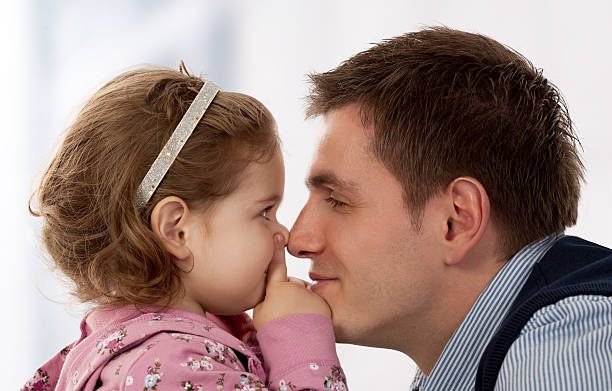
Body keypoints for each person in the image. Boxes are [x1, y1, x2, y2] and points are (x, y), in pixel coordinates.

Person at [288, 27, 612, 390]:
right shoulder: (476, 361)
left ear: (456, 221)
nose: (297, 240)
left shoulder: (559, 349)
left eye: (337, 200)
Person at [22, 65, 348, 391]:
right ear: (176, 230)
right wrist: (298, 343)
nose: (284, 235)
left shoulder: (138, 352)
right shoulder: (173, 369)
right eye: (264, 212)